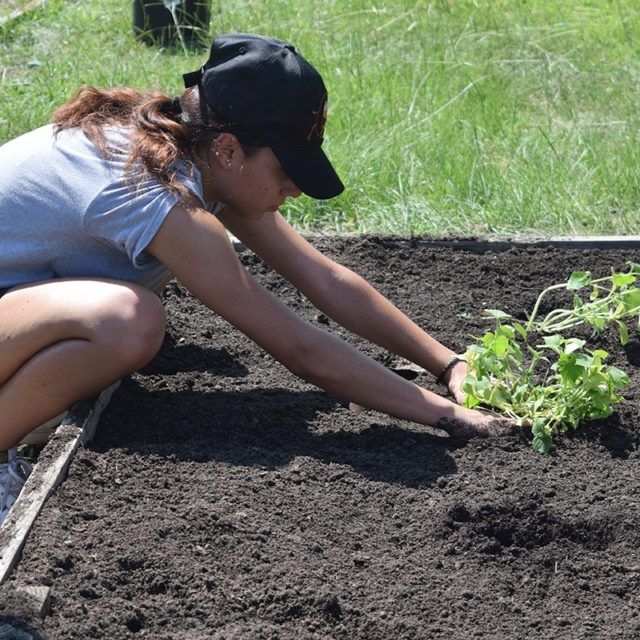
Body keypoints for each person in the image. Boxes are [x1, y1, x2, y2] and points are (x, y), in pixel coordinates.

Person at [0, 33, 512, 525]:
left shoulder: (191, 154)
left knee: (129, 315)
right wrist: (450, 418)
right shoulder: (151, 189)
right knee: (127, 321)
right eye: (288, 169)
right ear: (228, 149)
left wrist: (449, 364)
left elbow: (325, 279)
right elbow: (298, 347)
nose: (294, 188)